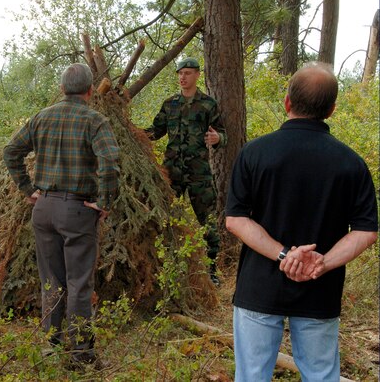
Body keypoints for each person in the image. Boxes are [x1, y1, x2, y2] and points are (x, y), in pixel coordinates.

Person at [225, 62, 378, 382]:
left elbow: (236, 220)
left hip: (259, 287)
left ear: (287, 102)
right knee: (321, 375)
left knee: (251, 376)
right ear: (332, 109)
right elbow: (366, 230)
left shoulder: (254, 153)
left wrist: (284, 255)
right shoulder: (351, 163)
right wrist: (320, 263)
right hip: (319, 290)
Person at [3, 63, 120, 369]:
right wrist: (104, 200)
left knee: (50, 280)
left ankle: (51, 346)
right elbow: (110, 161)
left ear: (61, 89)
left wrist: (28, 189)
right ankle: (81, 354)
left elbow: (11, 151)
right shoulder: (94, 120)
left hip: (44, 209)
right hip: (78, 210)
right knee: (79, 282)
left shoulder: (42, 117)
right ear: (90, 91)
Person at [144, 57, 227, 284]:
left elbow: (222, 133)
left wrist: (217, 137)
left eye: (188, 73)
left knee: (208, 222)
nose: (183, 77)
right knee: (163, 219)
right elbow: (156, 131)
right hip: (172, 173)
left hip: (199, 172)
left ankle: (211, 272)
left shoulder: (208, 104)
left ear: (198, 75)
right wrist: (133, 133)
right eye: (180, 73)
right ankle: (165, 268)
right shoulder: (170, 104)